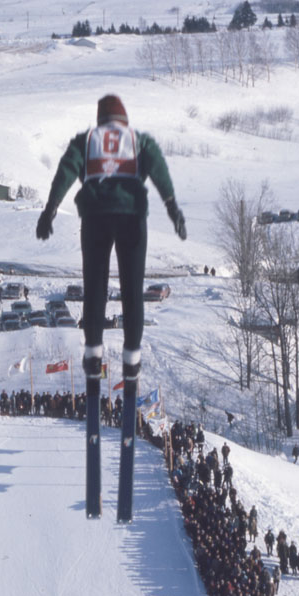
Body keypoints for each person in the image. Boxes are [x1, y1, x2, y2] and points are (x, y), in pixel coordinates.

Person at [36, 94, 186, 390]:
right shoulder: (139, 140)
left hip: (95, 217)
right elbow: (159, 171)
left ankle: (93, 353)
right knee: (132, 288)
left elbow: (65, 172)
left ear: (100, 119)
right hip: (131, 217)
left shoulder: (86, 140)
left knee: (95, 288)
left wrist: (50, 210)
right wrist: (172, 207)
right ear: (123, 119)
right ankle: (131, 357)